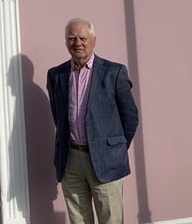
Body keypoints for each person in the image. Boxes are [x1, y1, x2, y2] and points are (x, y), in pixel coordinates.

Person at [46, 18, 139, 224]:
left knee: (110, 219)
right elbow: (58, 116)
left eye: (82, 38)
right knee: (78, 219)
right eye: (71, 38)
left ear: (93, 41)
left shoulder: (114, 72)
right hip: (70, 159)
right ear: (65, 42)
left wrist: (115, 148)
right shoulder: (56, 75)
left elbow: (130, 117)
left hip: (106, 159)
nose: (77, 42)